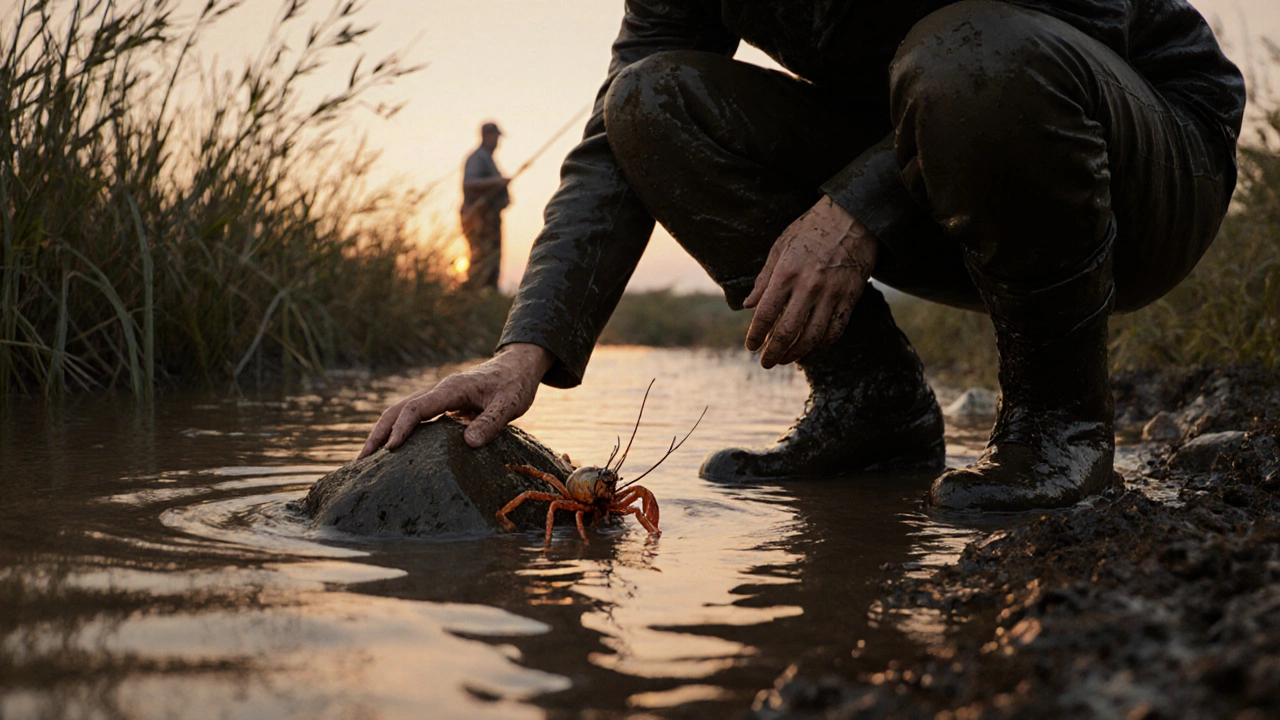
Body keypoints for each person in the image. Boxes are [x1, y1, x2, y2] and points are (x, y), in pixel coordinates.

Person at [362, 1, 1245, 512]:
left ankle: (1061, 427)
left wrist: (857, 207)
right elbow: (612, 143)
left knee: (971, 49)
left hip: (1140, 165)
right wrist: (524, 352)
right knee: (649, 99)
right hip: (932, 158)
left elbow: (1050, 28)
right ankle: (874, 409)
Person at [461, 121, 510, 290]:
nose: (498, 141)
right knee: (481, 259)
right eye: (495, 137)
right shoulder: (477, 157)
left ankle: (486, 297)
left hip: (489, 219)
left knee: (491, 260)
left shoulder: (488, 159)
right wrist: (497, 181)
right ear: (486, 136)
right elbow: (469, 183)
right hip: (479, 219)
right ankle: (473, 298)